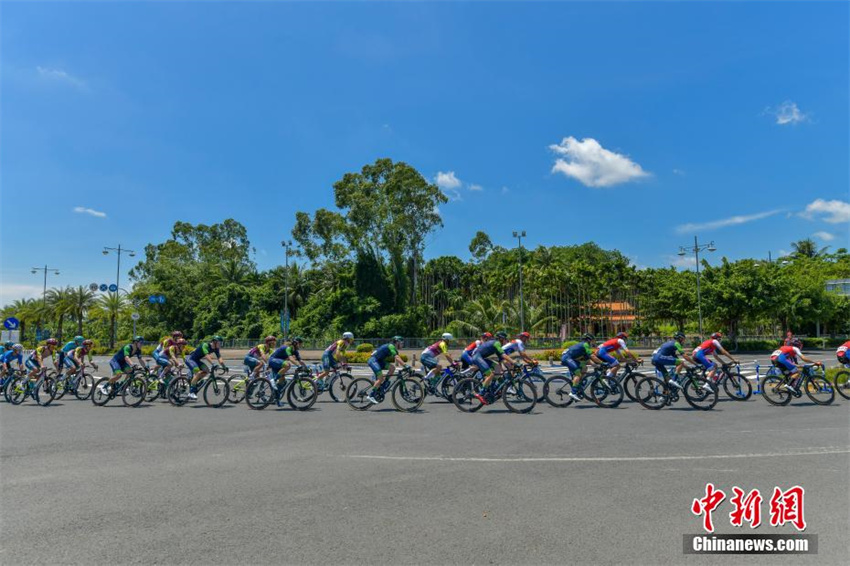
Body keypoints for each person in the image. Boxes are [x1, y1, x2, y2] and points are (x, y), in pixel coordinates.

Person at [473, 331, 515, 404]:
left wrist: (511, 366)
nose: (506, 341)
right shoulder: (496, 343)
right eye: (505, 339)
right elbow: (504, 355)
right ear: (501, 339)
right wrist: (514, 362)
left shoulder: (497, 345)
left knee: (497, 367)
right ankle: (481, 393)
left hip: (481, 358)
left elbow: (502, 360)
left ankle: (493, 388)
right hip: (477, 358)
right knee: (491, 374)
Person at [561, 333, 604, 401]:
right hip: (567, 358)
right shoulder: (585, 344)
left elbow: (588, 361)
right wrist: (602, 363)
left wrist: (597, 366)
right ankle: (573, 392)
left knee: (584, 368)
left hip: (569, 358)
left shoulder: (583, 346)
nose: (593, 342)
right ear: (589, 340)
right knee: (578, 374)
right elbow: (592, 356)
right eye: (592, 340)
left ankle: (578, 384)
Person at [366, 336, 406, 404]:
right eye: (401, 343)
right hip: (373, 361)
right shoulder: (391, 346)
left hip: (379, 361)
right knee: (380, 378)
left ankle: (384, 384)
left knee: (392, 368)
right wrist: (405, 365)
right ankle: (371, 395)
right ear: (397, 342)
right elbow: (396, 357)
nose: (402, 344)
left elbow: (397, 358)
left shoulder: (394, 349)